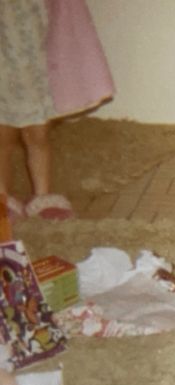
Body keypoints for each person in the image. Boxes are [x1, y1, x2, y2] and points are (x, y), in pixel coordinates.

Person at [0, 0, 114, 221]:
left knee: (37, 134)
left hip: (34, 61)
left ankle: (42, 194)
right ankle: (2, 194)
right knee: (2, 136)